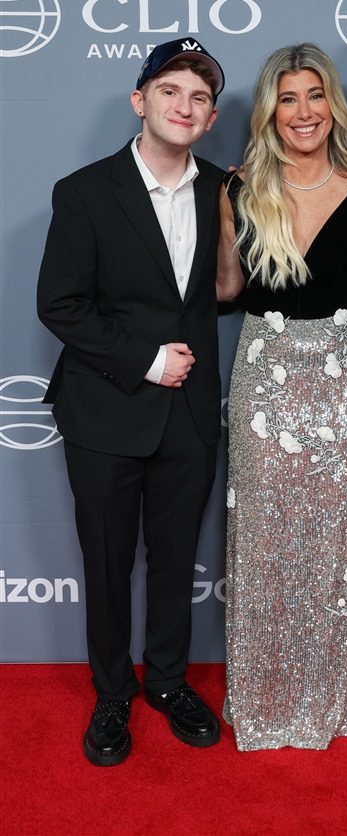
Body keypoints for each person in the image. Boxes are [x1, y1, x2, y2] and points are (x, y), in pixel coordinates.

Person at [37, 38, 226, 766]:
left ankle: (169, 682)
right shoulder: (85, 191)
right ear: (140, 100)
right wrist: (147, 362)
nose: (185, 105)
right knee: (108, 563)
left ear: (211, 119)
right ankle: (113, 692)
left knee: (176, 562)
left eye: (200, 97)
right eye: (170, 90)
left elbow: (238, 281)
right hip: (105, 409)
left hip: (189, 415)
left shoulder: (224, 190)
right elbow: (60, 304)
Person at [217, 43, 347, 750]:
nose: (304, 111)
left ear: (333, 105)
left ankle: (332, 698)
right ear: (270, 113)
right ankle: (265, 698)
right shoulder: (237, 190)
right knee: (265, 545)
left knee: (342, 546)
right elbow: (226, 289)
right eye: (288, 99)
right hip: (266, 382)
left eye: (315, 95)